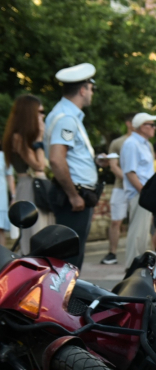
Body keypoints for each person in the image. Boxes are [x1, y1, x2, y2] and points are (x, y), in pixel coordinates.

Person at [45, 63, 101, 269]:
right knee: (69, 261)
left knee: (71, 258)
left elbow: (70, 157)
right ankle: (65, 292)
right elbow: (56, 159)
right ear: (83, 90)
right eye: (91, 88)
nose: (92, 93)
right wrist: (73, 195)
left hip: (76, 193)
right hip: (73, 196)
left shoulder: (68, 115)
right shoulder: (67, 118)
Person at [1, 94, 51, 253]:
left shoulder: (26, 138)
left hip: (37, 186)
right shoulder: (17, 138)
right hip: (29, 187)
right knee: (34, 234)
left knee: (44, 233)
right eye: (40, 112)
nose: (43, 116)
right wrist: (39, 140)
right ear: (29, 113)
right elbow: (39, 165)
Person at [121, 113, 156, 267]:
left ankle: (139, 266)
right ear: (142, 126)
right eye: (151, 125)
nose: (154, 128)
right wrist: (144, 193)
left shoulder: (145, 144)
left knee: (143, 233)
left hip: (144, 193)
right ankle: (132, 266)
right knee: (137, 232)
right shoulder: (132, 143)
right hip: (139, 193)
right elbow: (130, 172)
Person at [101, 112, 136, 264]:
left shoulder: (145, 143)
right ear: (128, 123)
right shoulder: (117, 143)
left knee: (139, 222)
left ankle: (138, 255)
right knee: (116, 221)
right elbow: (113, 166)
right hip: (120, 187)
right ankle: (112, 253)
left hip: (138, 189)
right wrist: (130, 180)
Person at [0, 151, 13, 246]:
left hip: (1, 198)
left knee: (0, 229)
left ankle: (2, 254)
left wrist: (13, 196)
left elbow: (10, 176)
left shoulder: (3, 156)